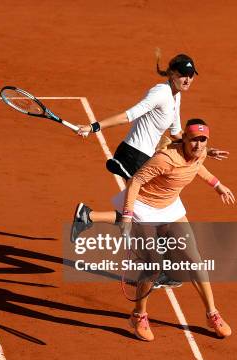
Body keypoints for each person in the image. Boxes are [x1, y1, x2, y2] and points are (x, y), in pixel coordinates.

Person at [71, 119, 235, 341]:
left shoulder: (202, 152)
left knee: (194, 259)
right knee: (153, 265)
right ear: (185, 139)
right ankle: (138, 316)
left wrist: (217, 185)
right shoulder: (165, 160)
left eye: (202, 140)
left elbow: (198, 167)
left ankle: (212, 313)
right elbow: (136, 181)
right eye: (194, 139)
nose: (198, 145)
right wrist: (128, 216)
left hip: (170, 206)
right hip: (143, 207)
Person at [77, 51, 228, 288]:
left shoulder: (176, 96)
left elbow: (178, 135)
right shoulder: (160, 93)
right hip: (132, 155)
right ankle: (154, 267)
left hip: (146, 157)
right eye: (183, 75)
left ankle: (88, 216)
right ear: (172, 74)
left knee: (145, 213)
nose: (188, 80)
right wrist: (94, 126)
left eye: (191, 76)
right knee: (145, 214)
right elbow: (129, 115)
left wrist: (205, 151)